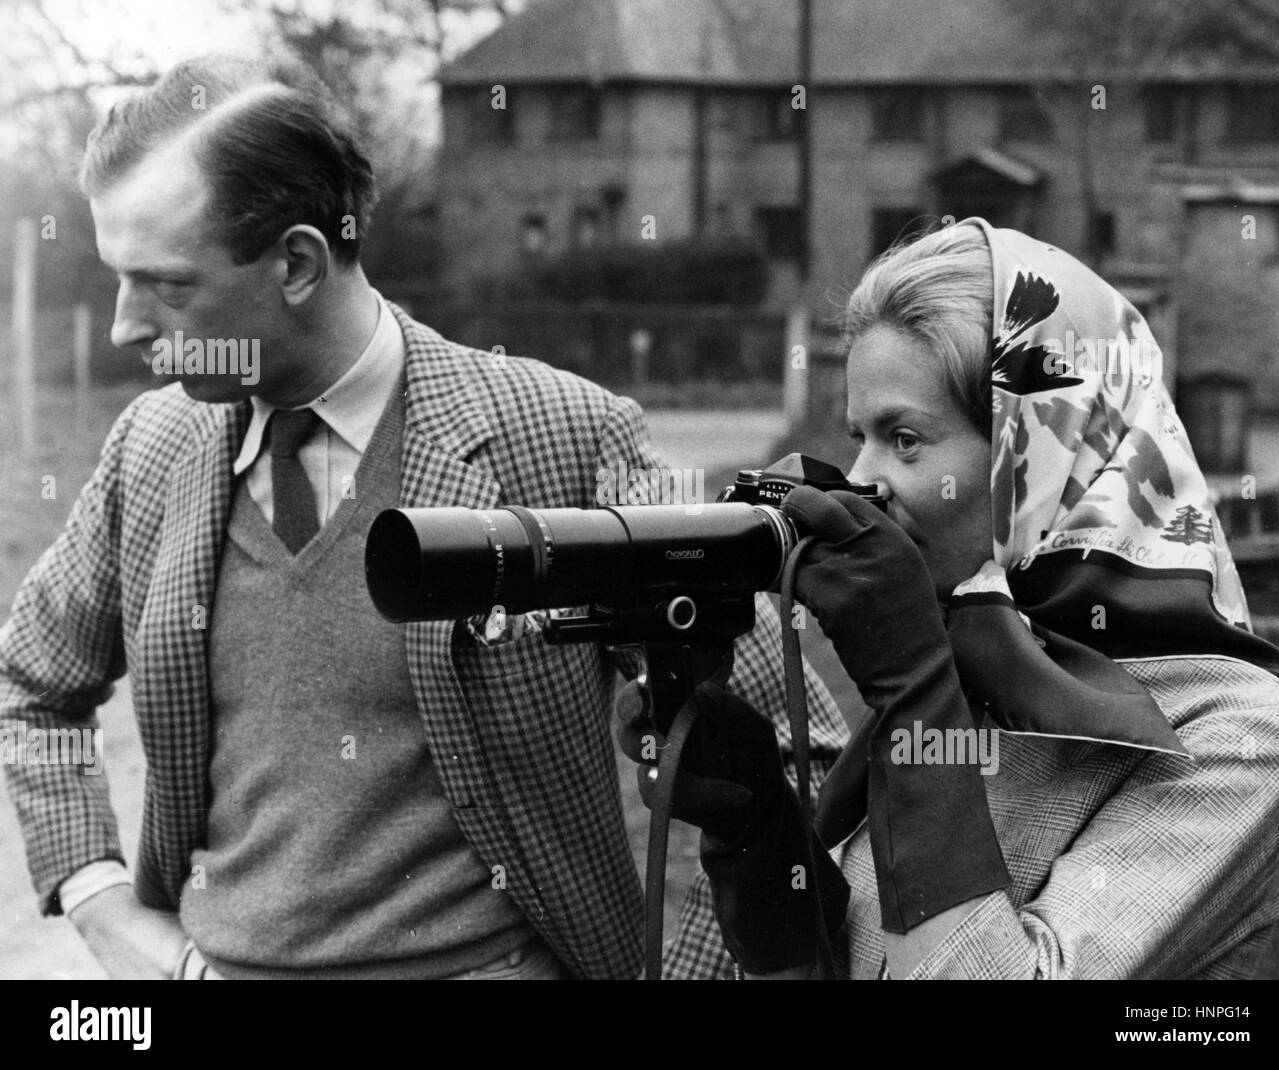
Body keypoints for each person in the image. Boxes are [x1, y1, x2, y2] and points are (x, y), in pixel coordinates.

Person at [0, 54, 847, 980]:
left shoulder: (563, 435)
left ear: (296, 262)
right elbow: (33, 685)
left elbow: (801, 760)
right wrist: (99, 904)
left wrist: (682, 977)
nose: (125, 326)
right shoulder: (152, 445)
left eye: (166, 286)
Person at [648, 218, 1279, 979]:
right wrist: (759, 831)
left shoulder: (1242, 736)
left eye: (905, 439)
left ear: (1038, 450)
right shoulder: (974, 648)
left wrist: (917, 688)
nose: (863, 479)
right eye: (859, 435)